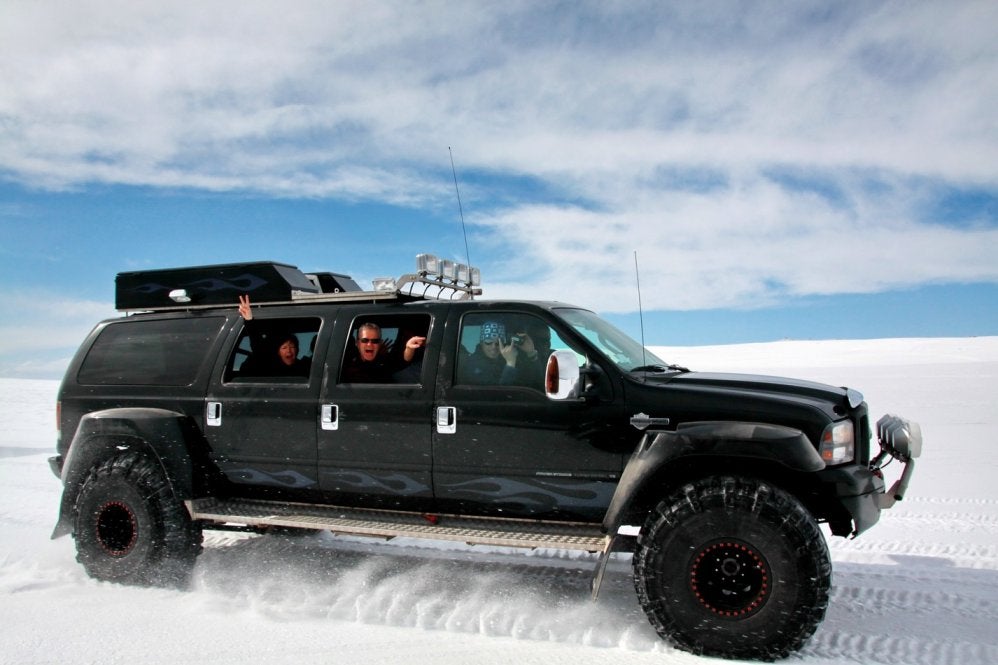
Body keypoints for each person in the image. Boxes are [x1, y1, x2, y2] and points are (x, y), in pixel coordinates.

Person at [237, 295, 311, 377]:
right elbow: (258, 346)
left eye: (292, 347)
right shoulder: (271, 366)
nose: (289, 351)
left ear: (297, 350)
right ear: (278, 352)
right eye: (284, 347)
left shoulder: (304, 368)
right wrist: (249, 320)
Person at [341, 321, 426, 383]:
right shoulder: (346, 366)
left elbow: (403, 362)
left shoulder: (384, 362)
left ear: (380, 344)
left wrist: (409, 348)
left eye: (375, 341)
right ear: (357, 343)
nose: (369, 344)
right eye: (365, 340)